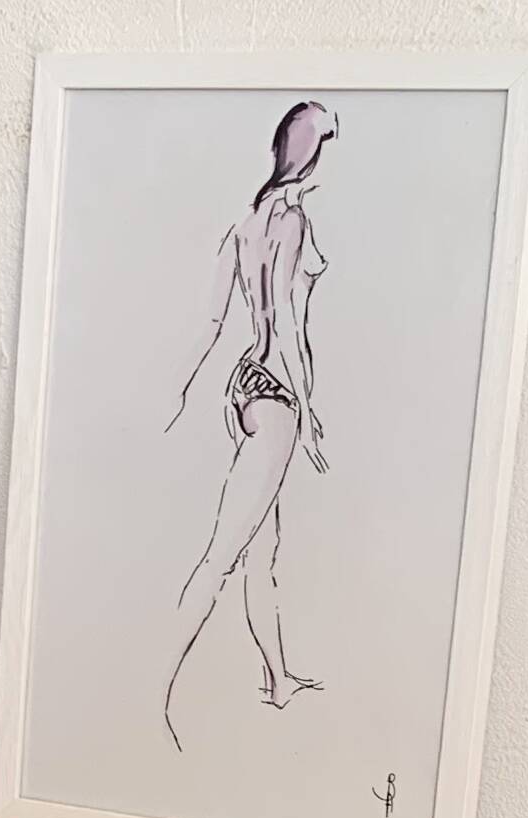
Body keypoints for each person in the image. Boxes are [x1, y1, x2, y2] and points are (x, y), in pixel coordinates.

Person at [163, 99, 337, 746]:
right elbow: (289, 325)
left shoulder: (246, 221)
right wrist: (311, 410)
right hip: (279, 395)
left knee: (262, 548)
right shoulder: (292, 219)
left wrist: (184, 390)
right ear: (315, 155)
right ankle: (156, 688)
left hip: (243, 386)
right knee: (224, 554)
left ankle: (278, 676)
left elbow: (214, 321)